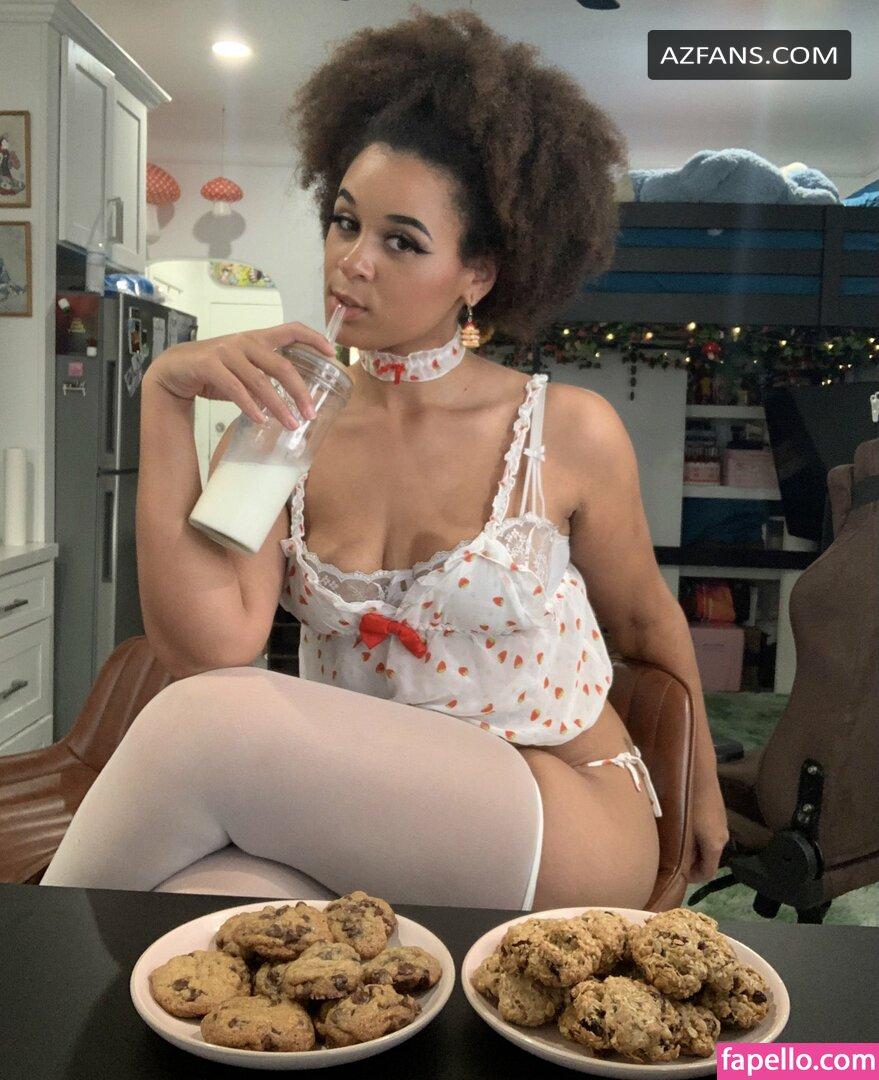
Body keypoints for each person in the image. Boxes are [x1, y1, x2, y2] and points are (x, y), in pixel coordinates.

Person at [42, 8, 728, 909]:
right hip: (370, 811)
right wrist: (164, 396)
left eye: (400, 241)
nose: (352, 262)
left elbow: (644, 624)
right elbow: (208, 646)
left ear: (477, 273)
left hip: (559, 802)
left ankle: (26, 958)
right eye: (343, 222)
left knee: (203, 726)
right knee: (203, 903)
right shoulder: (287, 419)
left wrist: (702, 788)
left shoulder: (563, 428)